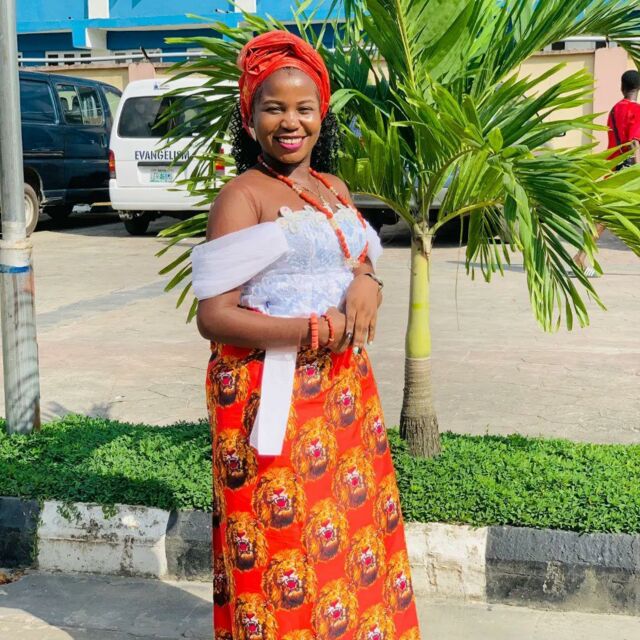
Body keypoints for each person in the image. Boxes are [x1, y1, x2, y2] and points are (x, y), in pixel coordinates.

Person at [191, 31, 421, 640]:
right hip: (270, 396)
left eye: (304, 108)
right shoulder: (242, 197)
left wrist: (367, 280)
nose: (290, 123)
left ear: (322, 115)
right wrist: (314, 329)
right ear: (250, 117)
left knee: (354, 533)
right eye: (274, 108)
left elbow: (355, 256)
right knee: (283, 540)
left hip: (344, 391)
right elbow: (213, 316)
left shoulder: (331, 187)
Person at [573, 69, 640, 277]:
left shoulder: (614, 110)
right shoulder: (637, 110)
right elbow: (634, 143)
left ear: (622, 87)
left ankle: (580, 257)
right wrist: (636, 172)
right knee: (605, 218)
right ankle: (579, 257)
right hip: (628, 174)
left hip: (613, 170)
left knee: (605, 218)